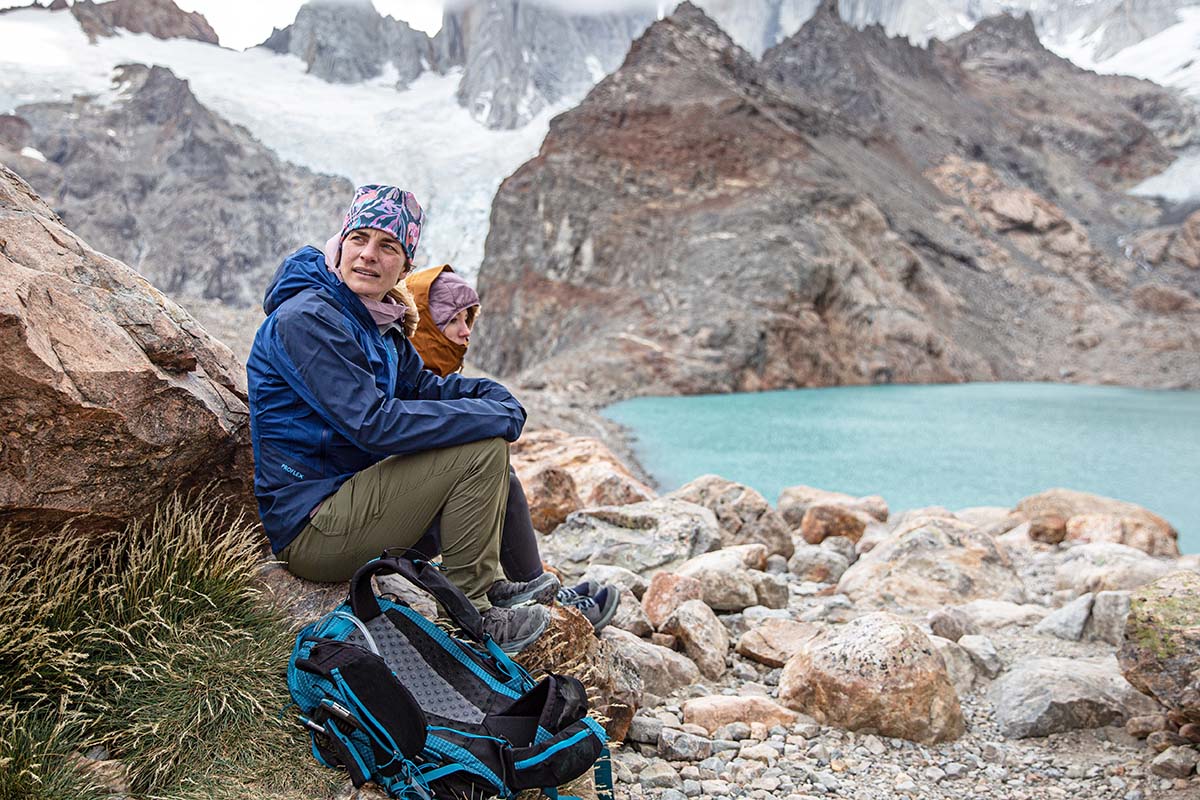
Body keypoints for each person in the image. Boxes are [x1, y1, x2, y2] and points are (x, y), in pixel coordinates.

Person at [247, 184, 549, 653]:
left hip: (355, 504)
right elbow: (375, 423)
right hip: (315, 526)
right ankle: (471, 617)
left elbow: (428, 388)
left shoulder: (375, 322)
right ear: (340, 243)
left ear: (405, 267)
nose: (368, 255)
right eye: (359, 239)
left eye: (387, 246)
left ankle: (488, 586)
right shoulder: (308, 318)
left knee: (489, 459)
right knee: (480, 449)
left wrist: (493, 396)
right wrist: (492, 418)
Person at [401, 263, 622, 633]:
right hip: (391, 528)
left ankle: (532, 589)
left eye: (468, 319)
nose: (465, 331)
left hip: (409, 515)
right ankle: (495, 602)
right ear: (425, 322)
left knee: (496, 472)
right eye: (453, 320)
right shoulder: (405, 376)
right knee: (487, 468)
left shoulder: (429, 375)